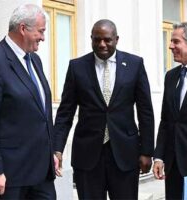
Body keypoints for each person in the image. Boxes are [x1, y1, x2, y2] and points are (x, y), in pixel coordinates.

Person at [54, 19, 154, 200]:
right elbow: (65, 112)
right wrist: (57, 149)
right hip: (88, 156)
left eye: (107, 40)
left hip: (125, 154)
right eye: (97, 39)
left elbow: (145, 111)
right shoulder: (77, 67)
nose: (102, 44)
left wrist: (147, 151)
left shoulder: (135, 64)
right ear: (91, 39)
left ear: (116, 39)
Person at [0, 4, 58, 200]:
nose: (43, 38)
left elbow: (42, 113)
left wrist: (52, 153)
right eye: (41, 31)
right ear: (23, 28)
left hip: (42, 174)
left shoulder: (35, 60)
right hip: (11, 177)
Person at [153, 22, 187, 200]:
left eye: (176, 41)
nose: (171, 46)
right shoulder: (171, 76)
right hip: (173, 164)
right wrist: (159, 156)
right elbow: (166, 119)